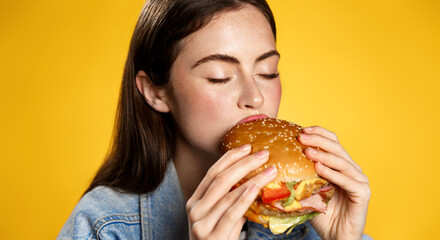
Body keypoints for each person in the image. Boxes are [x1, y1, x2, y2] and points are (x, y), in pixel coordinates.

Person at [57, 0, 371, 239]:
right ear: (155, 91)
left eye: (267, 72)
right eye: (219, 76)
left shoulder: (311, 220)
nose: (255, 97)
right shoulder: (102, 226)